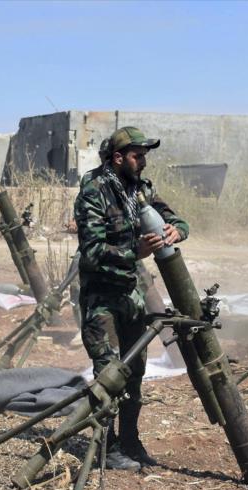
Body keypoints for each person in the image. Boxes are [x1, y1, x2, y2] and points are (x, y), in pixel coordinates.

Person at [73, 127, 189, 470]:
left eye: (144, 156)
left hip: (132, 297)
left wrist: (177, 230)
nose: (143, 162)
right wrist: (134, 251)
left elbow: (176, 218)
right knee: (109, 375)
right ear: (118, 158)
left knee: (135, 372)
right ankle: (106, 448)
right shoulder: (93, 191)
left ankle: (130, 441)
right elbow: (92, 252)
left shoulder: (140, 190)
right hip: (102, 300)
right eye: (138, 156)